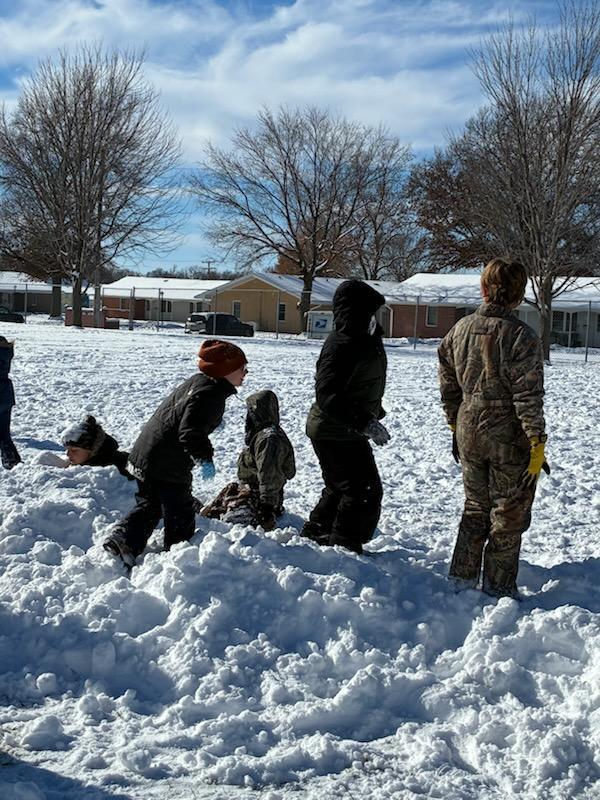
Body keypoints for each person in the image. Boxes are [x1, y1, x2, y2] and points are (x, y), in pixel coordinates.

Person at [438, 258, 548, 599]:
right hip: (506, 436)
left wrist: (455, 420)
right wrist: (536, 442)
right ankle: (498, 588)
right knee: (508, 513)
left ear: (484, 289)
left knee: (475, 506)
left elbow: (447, 381)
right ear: (518, 294)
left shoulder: (459, 329)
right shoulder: (522, 337)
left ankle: (461, 578)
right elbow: (528, 396)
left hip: (468, 429)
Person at [103, 339, 248, 568]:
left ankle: (124, 540)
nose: (246, 372)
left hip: (147, 454)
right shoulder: (211, 394)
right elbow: (190, 433)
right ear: (225, 370)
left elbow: (183, 416)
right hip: (166, 463)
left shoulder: (200, 382)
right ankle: (180, 561)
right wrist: (205, 458)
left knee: (151, 504)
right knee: (180, 509)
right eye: (242, 367)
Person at [301, 279, 390, 555]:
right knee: (362, 489)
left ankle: (318, 530)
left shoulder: (364, 339)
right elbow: (327, 395)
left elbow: (362, 382)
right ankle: (344, 547)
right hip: (333, 428)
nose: (376, 318)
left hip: (345, 427)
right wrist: (364, 422)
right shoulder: (342, 344)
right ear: (357, 312)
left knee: (341, 485)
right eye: (371, 312)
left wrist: (374, 413)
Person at [201, 390, 296, 530]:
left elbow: (269, 476)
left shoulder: (269, 439)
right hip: (253, 489)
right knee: (219, 503)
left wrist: (266, 508)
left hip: (262, 497)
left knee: (232, 521)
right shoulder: (263, 434)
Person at [43, 415, 133, 477]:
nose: (68, 455)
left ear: (92, 450)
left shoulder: (110, 470)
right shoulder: (86, 460)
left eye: (74, 450)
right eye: (67, 450)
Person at [0, 335, 21, 470]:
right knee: (3, 432)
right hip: (6, 394)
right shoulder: (6, 353)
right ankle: (13, 462)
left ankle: (12, 462)